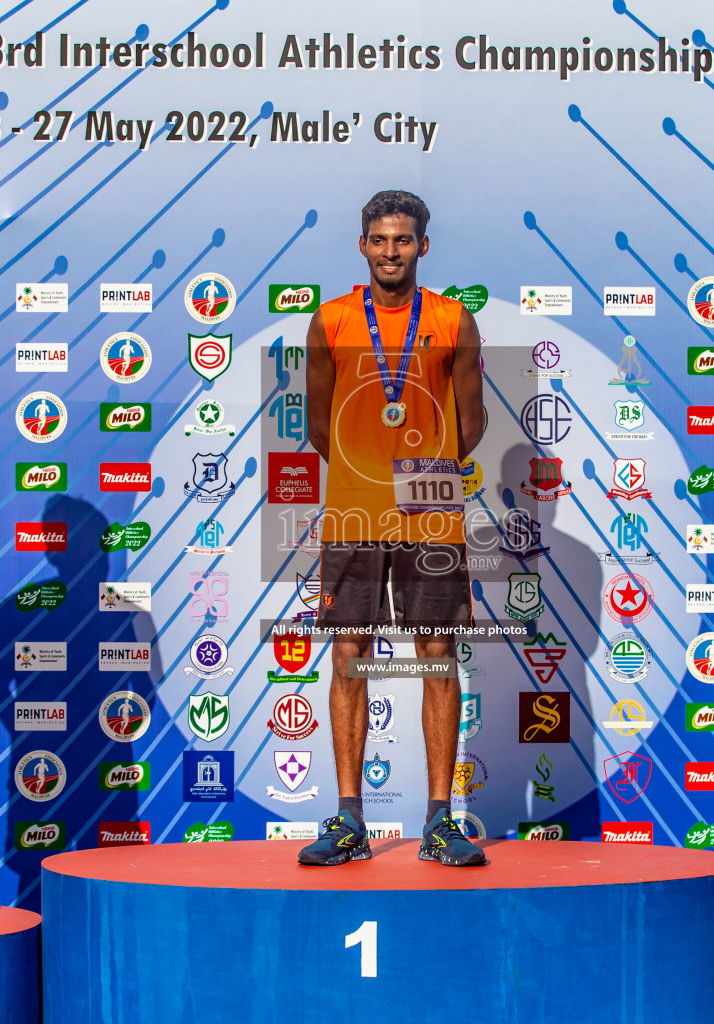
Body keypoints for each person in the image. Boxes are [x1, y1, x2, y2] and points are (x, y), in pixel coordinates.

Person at [297, 190, 487, 867]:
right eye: (379, 239)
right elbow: (318, 424)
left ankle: (440, 822)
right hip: (352, 513)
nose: (390, 251)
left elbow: (474, 423)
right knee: (350, 656)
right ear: (362, 245)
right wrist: (370, 475)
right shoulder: (330, 320)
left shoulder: (452, 319)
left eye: (402, 240)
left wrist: (418, 474)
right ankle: (349, 820)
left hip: (430, 512)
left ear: (423, 247)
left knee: (435, 653)